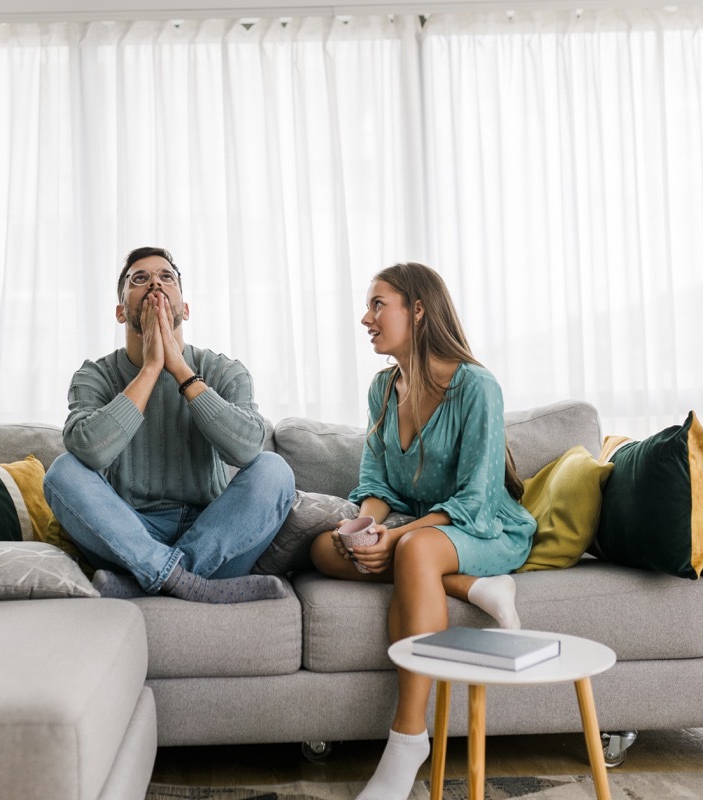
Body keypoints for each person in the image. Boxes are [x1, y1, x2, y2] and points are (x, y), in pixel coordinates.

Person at [308, 262, 537, 800]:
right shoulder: (383, 389)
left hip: (483, 527)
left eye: (377, 304)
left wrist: (401, 538)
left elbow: (478, 498)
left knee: (412, 552)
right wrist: (366, 528)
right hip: (419, 533)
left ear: (417, 309)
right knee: (323, 548)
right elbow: (375, 483)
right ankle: (471, 588)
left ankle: (408, 740)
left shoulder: (476, 386)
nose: (366, 318)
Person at [43, 246, 296, 604]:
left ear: (185, 308)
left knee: (275, 470)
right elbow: (89, 451)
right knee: (62, 472)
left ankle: (151, 579)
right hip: (126, 536)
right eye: (140, 279)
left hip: (213, 534)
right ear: (120, 312)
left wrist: (180, 370)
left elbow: (246, 449)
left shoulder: (225, 371)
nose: (155, 285)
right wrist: (149, 369)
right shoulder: (94, 375)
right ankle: (191, 584)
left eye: (167, 278)